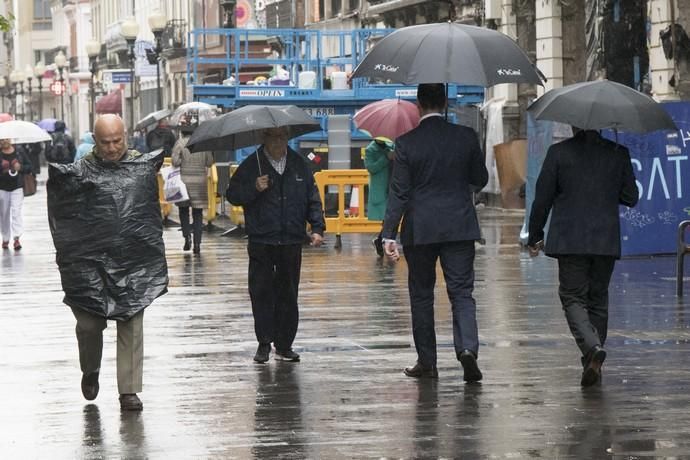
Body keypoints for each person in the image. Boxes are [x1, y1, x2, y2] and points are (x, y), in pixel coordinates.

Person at [47, 114, 168, 411]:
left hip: (132, 264)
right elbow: (63, 218)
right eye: (105, 142)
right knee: (89, 325)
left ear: (125, 136)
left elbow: (149, 212)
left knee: (131, 321)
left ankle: (129, 390)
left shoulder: (141, 166)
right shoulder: (80, 172)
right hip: (91, 266)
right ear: (95, 141)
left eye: (117, 141)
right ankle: (90, 369)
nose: (112, 148)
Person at [381, 83, 488, 382]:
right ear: (444, 103)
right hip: (459, 226)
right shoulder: (466, 137)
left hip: (421, 228)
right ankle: (467, 348)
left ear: (418, 104)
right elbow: (480, 178)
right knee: (462, 292)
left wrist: (389, 234)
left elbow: (398, 193)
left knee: (422, 295)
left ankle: (427, 362)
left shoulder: (406, 143)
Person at [527, 128, 638, 387]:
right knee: (598, 299)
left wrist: (535, 235)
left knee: (572, 296)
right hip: (604, 239)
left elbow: (542, 198)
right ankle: (592, 361)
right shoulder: (618, 153)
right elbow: (631, 197)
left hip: (570, 239)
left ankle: (592, 347)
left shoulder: (558, 153)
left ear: (573, 125)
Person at [226, 127, 325, 364]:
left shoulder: (299, 164)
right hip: (262, 239)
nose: (280, 142)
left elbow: (312, 196)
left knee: (288, 293)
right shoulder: (252, 164)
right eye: (274, 137)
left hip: (291, 238)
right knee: (261, 292)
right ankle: (264, 343)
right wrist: (254, 188)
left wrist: (317, 227)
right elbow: (232, 195)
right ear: (265, 139)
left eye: (283, 137)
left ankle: (285, 344)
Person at [171, 115, 214, 254]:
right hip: (200, 183)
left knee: (183, 211)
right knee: (198, 213)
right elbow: (209, 162)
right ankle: (197, 244)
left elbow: (175, 162)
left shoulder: (180, 143)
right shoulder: (202, 143)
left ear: (183, 131)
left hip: (184, 182)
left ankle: (186, 237)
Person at [364, 136, 394, 257]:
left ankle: (382, 240)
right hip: (380, 189)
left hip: (392, 185)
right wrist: (386, 158)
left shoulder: (391, 145)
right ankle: (383, 241)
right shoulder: (370, 149)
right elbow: (371, 168)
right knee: (387, 218)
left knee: (389, 218)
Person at [0, 138, 32, 250]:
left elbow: (30, 167)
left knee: (16, 212)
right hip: (2, 188)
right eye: (1, 139)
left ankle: (16, 238)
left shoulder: (19, 151)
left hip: (17, 187)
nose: (4, 141)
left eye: (6, 139)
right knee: (3, 214)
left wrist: (21, 167)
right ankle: (5, 239)